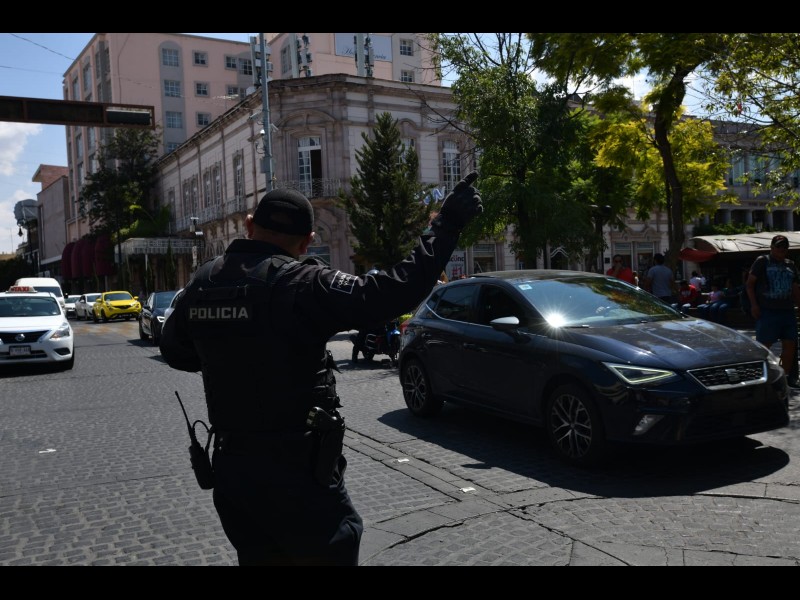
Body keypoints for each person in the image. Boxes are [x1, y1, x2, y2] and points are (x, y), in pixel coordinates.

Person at [159, 173, 482, 566]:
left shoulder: (203, 281)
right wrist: (445, 226)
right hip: (297, 473)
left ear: (249, 225)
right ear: (307, 241)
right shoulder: (304, 282)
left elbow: (175, 350)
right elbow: (392, 292)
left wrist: (230, 351)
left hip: (234, 471)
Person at [746, 234, 800, 387]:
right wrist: (754, 305)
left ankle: (783, 378)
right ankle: (758, 378)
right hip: (767, 311)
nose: (781, 249)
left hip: (787, 311)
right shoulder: (762, 261)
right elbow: (749, 284)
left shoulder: (791, 265)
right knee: (764, 346)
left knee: (790, 345)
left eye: (785, 247)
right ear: (771, 247)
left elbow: (795, 288)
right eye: (778, 246)